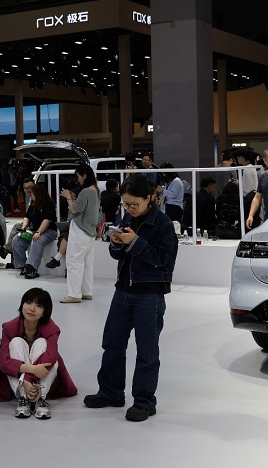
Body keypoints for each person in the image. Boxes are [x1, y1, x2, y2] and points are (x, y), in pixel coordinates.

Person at [84, 175, 177, 423]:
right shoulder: (127, 219)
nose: (130, 208)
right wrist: (116, 243)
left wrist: (135, 242)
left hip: (150, 295)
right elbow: (119, 256)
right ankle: (111, 392)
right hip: (123, 291)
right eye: (126, 204)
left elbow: (164, 260)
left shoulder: (163, 224)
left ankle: (145, 402)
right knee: (112, 344)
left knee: (147, 351)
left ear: (149, 198)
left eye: (134, 204)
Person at [0, 288, 78, 419]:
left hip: (39, 377)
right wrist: (29, 374)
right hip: (23, 379)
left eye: (38, 306)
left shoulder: (52, 329)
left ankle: (41, 397)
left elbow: (51, 358)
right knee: (16, 342)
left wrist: (27, 379)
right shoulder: (9, 327)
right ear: (22, 304)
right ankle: (23, 397)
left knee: (42, 343)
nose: (32, 308)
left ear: (45, 312)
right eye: (28, 303)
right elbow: (3, 362)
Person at [60, 164, 101, 303]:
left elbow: (75, 210)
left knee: (74, 261)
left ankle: (74, 294)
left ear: (84, 176)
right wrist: (74, 198)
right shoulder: (95, 190)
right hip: (90, 231)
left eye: (78, 177)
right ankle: (86, 291)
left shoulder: (85, 192)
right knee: (87, 263)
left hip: (80, 229)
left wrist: (68, 198)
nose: (78, 180)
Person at [12, 180, 57, 279]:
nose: (31, 195)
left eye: (32, 193)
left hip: (48, 231)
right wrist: (24, 227)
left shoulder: (49, 203)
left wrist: (38, 232)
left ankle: (32, 267)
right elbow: (27, 216)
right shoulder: (34, 203)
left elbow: (47, 220)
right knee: (17, 240)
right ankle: (22, 265)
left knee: (37, 240)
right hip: (34, 230)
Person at [0, 178, 34, 267]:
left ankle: (7, 250)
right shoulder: (29, 199)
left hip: (37, 226)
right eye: (25, 188)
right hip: (30, 223)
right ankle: (13, 258)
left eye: (30, 187)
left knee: (16, 229)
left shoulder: (37, 199)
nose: (28, 190)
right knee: (16, 230)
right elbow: (28, 215)